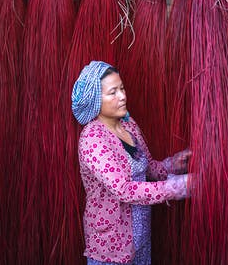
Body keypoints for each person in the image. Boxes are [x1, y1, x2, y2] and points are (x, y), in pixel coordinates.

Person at [71, 60, 192, 265]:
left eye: (122, 88)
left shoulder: (128, 124)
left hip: (140, 236)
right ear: (95, 100)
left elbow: (149, 168)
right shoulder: (92, 138)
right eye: (113, 92)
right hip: (112, 246)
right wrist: (177, 187)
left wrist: (176, 164)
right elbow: (124, 189)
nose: (123, 96)